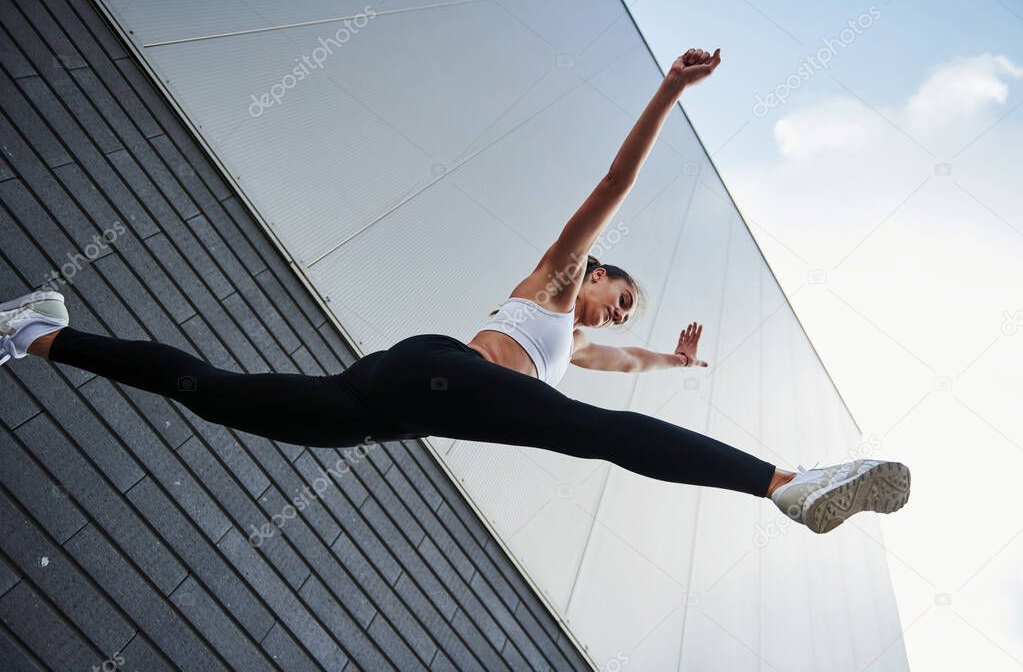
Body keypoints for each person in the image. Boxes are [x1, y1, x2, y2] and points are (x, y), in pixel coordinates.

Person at [0, 48, 909, 534]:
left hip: (380, 403)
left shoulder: (572, 348)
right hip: (440, 370)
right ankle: (788, 480)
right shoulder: (555, 282)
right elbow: (612, 186)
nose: (618, 314)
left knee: (215, 395)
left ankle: (36, 333)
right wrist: (668, 92)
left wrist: (665, 356)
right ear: (588, 277)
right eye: (617, 297)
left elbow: (615, 363)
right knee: (592, 439)